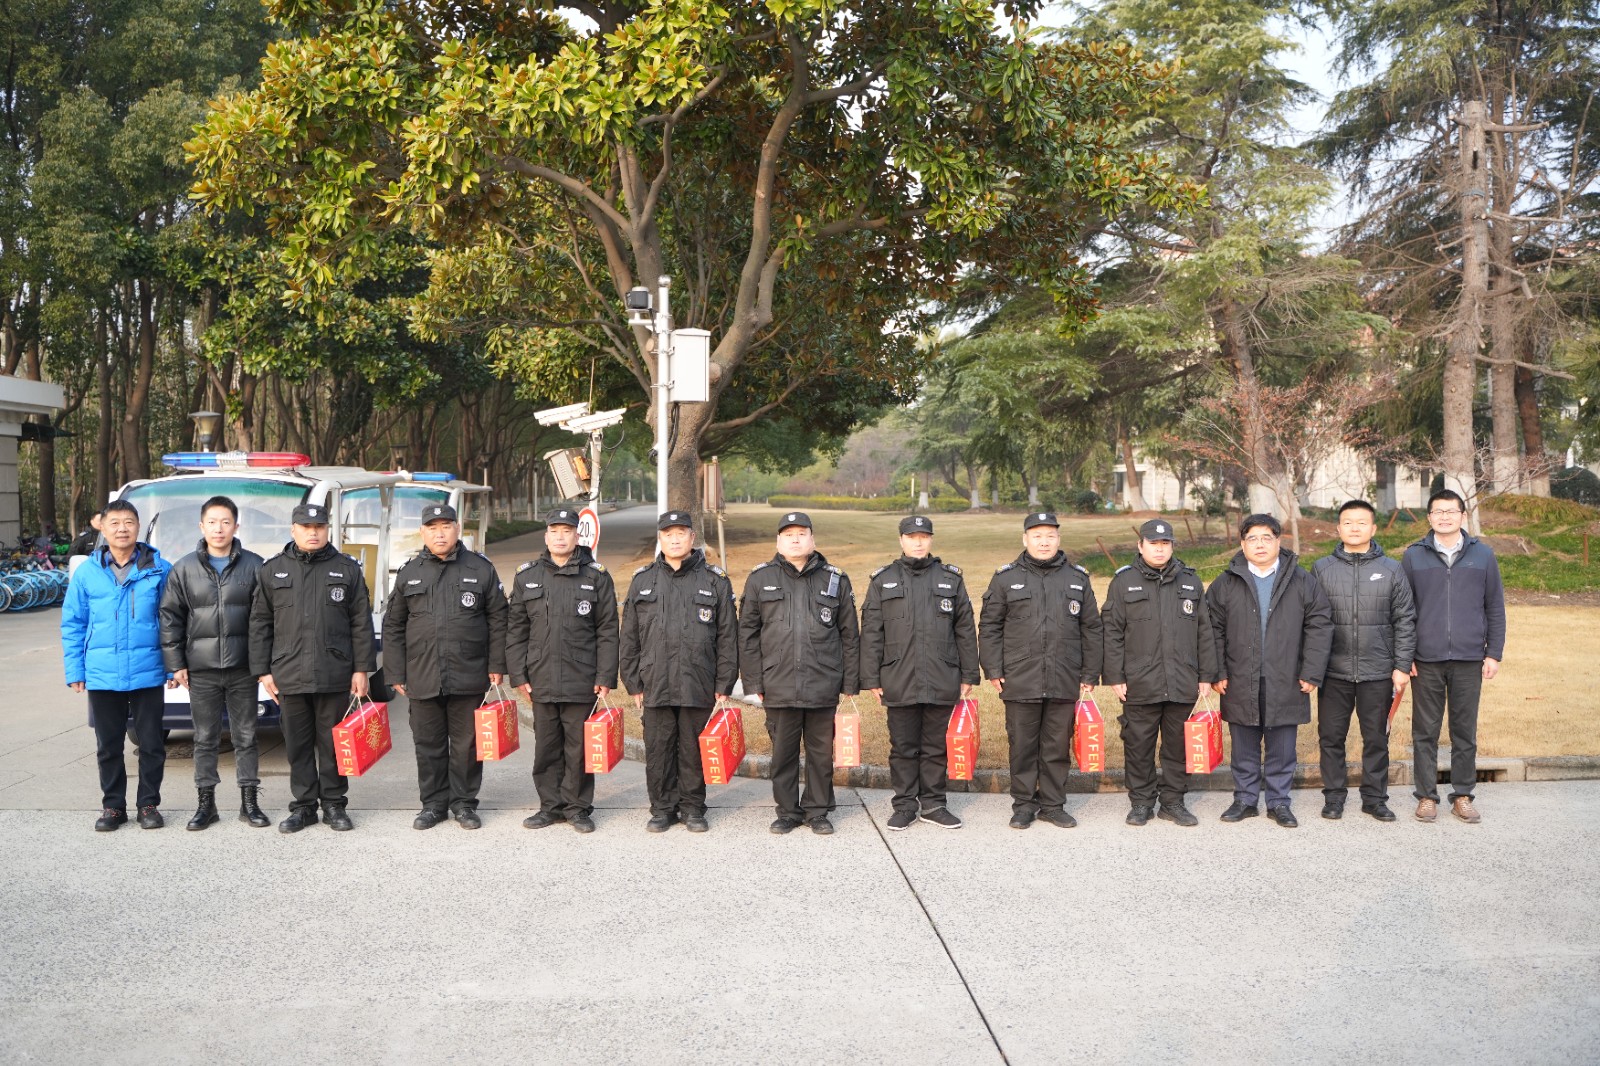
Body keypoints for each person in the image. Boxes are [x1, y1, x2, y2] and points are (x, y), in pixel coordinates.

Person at [249, 501, 375, 833]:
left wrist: (362, 668)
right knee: (298, 745)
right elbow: (260, 622)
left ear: (327, 530)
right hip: (288, 674)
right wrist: (263, 671)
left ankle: (334, 805)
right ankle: (304, 807)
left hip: (334, 671)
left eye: (319, 527)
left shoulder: (346, 569)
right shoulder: (273, 570)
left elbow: (361, 622)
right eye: (306, 527)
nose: (313, 533)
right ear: (294, 530)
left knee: (333, 744)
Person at [384, 503, 508, 831]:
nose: (439, 533)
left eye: (446, 526)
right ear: (422, 532)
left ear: (457, 528)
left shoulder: (480, 568)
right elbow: (393, 625)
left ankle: (464, 804)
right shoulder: (410, 571)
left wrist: (497, 663)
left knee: (467, 745)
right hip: (422, 674)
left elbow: (499, 619)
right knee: (428, 745)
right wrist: (395, 672)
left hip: (469, 672)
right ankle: (434, 805)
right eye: (432, 527)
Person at [1208, 514, 1333, 828]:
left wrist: (1311, 671)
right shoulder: (1226, 582)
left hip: (1287, 676)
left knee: (1282, 746)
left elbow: (1319, 626)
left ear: (1279, 541)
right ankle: (1245, 799)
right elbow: (1212, 630)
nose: (1260, 544)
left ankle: (1279, 802)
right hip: (1239, 677)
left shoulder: (1301, 580)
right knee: (1244, 744)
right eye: (1252, 538)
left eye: (1267, 537)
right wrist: (1217, 671)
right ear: (1242, 544)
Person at [980, 511, 1103, 830]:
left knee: (1056, 746)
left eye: (1050, 535)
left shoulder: (1077, 578)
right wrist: (993, 667)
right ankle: (1023, 805)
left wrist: (1090, 673)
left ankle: (1052, 805)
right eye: (1037, 536)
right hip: (1020, 676)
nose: (1044, 542)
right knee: (1022, 746)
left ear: (1059, 539)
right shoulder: (1005, 578)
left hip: (1065, 675)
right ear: (1025, 539)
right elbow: (990, 626)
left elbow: (1092, 628)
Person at [739, 512, 859, 836]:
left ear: (812, 539)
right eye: (788, 534)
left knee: (821, 754)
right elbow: (747, 634)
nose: (795, 539)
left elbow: (850, 634)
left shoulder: (835, 579)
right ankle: (788, 812)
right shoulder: (759, 578)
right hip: (777, 683)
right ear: (778, 541)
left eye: (802, 533)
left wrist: (850, 681)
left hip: (823, 682)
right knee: (783, 755)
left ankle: (817, 811)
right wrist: (753, 680)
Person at [620, 511, 738, 832]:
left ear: (692, 538)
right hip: (654, 681)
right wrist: (633, 683)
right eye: (668, 534)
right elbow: (629, 636)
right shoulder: (643, 580)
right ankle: (662, 809)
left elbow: (728, 636)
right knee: (658, 749)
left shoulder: (714, 580)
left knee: (692, 749)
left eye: (681, 533)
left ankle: (693, 808)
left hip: (698, 679)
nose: (674, 539)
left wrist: (724, 682)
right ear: (660, 539)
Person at [859, 515, 979, 830]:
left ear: (931, 539)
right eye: (912, 536)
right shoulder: (883, 580)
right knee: (903, 747)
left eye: (924, 536)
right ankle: (904, 806)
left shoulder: (950, 579)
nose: (918, 542)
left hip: (942, 674)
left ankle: (934, 805)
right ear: (901, 540)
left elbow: (965, 629)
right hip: (898, 676)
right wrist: (870, 678)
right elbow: (871, 632)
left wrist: (969, 674)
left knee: (936, 746)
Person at [60, 499, 173, 831]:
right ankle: (113, 807)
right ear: (102, 528)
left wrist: (173, 665)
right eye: (115, 523)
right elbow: (73, 623)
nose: (122, 529)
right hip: (102, 672)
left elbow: (173, 621)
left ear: (138, 527)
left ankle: (148, 804)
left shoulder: (160, 568)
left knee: (151, 743)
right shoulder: (87, 572)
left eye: (129, 522)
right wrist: (75, 670)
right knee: (108, 746)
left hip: (147, 670)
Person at [157, 495, 269, 830]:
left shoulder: (255, 566)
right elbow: (170, 618)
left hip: (243, 668)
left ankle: (250, 803)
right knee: (205, 738)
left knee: (246, 736)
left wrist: (263, 666)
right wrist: (176, 663)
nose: (218, 529)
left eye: (225, 522)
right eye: (212, 522)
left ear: (236, 526)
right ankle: (206, 805)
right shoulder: (184, 568)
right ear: (201, 526)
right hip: (201, 669)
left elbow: (266, 619)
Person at [1101, 518, 1219, 828]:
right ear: (1140, 546)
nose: (1159, 549)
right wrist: (1115, 676)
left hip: (1183, 678)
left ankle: (1173, 802)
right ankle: (1141, 803)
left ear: (1172, 546)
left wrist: (1206, 675)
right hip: (1139, 681)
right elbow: (1111, 631)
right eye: (1153, 543)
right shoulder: (1123, 582)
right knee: (1138, 745)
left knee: (1178, 746)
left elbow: (1204, 631)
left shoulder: (1190, 581)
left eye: (1165, 543)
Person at [507, 507, 618, 834]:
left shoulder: (596, 576)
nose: (560, 537)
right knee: (546, 748)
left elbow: (608, 630)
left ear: (576, 535)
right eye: (554, 531)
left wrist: (605, 676)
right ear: (546, 536)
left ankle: (578, 808)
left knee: (579, 748)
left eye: (566, 531)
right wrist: (519, 675)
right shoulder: (527, 576)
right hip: (540, 678)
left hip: (582, 678)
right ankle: (550, 807)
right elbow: (516, 630)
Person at [1402, 489, 1506, 824]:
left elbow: (1494, 606)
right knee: (1425, 731)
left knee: (1464, 731)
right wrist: (1405, 655)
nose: (1444, 517)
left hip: (1469, 657)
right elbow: (1403, 610)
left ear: (1463, 516)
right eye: (1438, 511)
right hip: (1425, 658)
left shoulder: (1483, 555)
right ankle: (1426, 796)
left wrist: (1494, 653)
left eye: (1451, 511)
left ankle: (1462, 795)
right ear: (1429, 517)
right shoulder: (1413, 556)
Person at [1310, 499, 1416, 822]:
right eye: (1348, 522)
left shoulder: (1392, 569)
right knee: (1331, 738)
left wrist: (1401, 666)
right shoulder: (1322, 568)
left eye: (1361, 522)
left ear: (1373, 528)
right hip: (1334, 671)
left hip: (1378, 671)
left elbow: (1405, 620)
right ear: (1338, 528)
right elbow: (1311, 620)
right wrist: (1311, 668)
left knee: (1376, 739)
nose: (1354, 528)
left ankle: (1374, 798)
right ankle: (1334, 797)